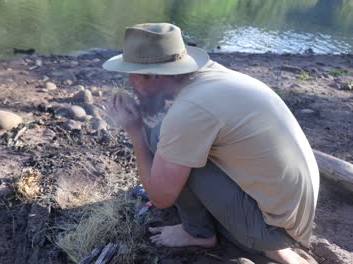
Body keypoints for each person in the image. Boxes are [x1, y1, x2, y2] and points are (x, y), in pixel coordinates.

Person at [103, 23, 319, 264]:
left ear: (153, 74)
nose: (130, 82)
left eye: (132, 74)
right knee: (165, 136)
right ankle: (262, 236)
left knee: (163, 140)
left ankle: (196, 233)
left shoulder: (189, 110)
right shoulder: (210, 76)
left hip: (271, 229)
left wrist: (134, 132)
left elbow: (161, 198)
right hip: (292, 212)